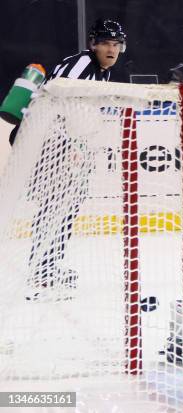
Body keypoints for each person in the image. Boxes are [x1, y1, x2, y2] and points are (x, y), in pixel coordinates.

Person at [26, 19, 127, 300]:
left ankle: (48, 265)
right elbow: (58, 101)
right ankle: (42, 270)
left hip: (66, 145)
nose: (111, 49)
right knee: (55, 207)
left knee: (66, 206)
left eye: (116, 44)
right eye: (106, 43)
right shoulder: (83, 64)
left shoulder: (100, 71)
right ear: (93, 44)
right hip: (54, 145)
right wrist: (69, 143)